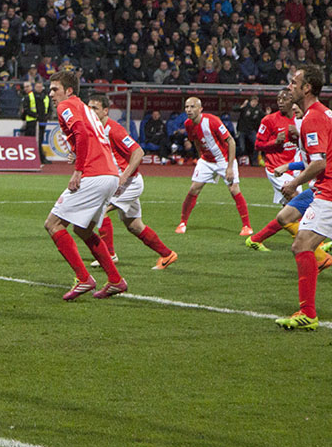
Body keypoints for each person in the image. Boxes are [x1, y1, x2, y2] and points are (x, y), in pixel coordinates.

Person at [44, 70, 127, 300]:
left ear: (68, 90)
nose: (51, 94)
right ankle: (115, 280)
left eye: (55, 89)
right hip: (110, 174)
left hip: (93, 174)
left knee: (53, 224)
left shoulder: (66, 105)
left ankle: (83, 278)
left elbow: (80, 132)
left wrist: (78, 169)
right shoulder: (85, 108)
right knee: (83, 229)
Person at [87, 95, 178, 271]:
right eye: (89, 108)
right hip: (119, 182)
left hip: (128, 183)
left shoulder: (114, 129)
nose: (91, 111)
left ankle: (109, 255)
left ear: (106, 111)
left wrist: (124, 175)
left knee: (99, 211)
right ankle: (167, 254)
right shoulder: (94, 128)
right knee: (134, 226)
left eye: (95, 108)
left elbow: (139, 152)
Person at [275, 66, 332, 330]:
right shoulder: (323, 113)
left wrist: (293, 183)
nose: (289, 87)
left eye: (294, 83)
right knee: (302, 244)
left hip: (328, 191)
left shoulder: (313, 118)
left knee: (302, 245)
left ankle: (308, 314)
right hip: (325, 189)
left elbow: (318, 163)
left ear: (307, 87)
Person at [246, 98, 332, 271]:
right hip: (313, 186)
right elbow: (311, 161)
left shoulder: (315, 123)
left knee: (301, 243)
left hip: (324, 188)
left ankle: (318, 248)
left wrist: (291, 174)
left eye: (296, 106)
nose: (294, 109)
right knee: (284, 217)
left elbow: (319, 162)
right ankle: (321, 255)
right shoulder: (302, 125)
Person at [175, 97, 253, 236]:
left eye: (192, 107)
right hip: (206, 161)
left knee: (234, 189)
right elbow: (196, 141)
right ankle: (182, 223)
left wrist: (229, 167)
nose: (189, 110)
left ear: (200, 109)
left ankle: (247, 226)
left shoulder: (212, 121)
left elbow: (231, 142)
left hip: (224, 160)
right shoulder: (188, 124)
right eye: (186, 107)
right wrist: (200, 158)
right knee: (193, 188)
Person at [255, 89, 300, 206]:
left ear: (292, 100)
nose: (280, 102)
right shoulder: (269, 120)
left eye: (284, 99)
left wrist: (299, 135)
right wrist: (275, 142)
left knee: (290, 208)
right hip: (276, 168)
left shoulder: (299, 119)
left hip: (294, 168)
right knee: (296, 198)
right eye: (278, 99)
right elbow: (258, 145)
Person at [23, 81, 50, 165]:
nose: (39, 89)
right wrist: (35, 115)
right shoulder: (30, 96)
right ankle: (33, 158)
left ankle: (40, 157)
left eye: (40, 87)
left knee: (40, 140)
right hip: (32, 122)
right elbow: (26, 109)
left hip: (42, 122)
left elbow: (48, 109)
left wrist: (46, 116)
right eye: (37, 87)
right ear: (34, 87)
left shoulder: (45, 97)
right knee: (31, 140)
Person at [237, 95, 264, 164]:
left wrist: (267, 114)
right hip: (242, 130)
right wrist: (242, 105)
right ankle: (237, 159)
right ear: (250, 102)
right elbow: (235, 109)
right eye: (253, 101)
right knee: (241, 147)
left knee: (256, 144)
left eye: (255, 102)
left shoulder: (258, 110)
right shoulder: (245, 107)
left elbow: (264, 117)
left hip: (251, 131)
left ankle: (254, 161)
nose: (254, 103)